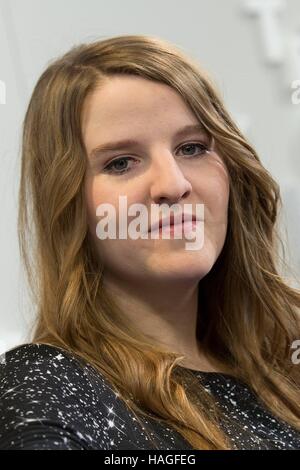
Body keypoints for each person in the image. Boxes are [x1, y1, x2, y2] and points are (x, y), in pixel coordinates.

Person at [0, 34, 299, 450]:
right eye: (120, 162)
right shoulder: (50, 384)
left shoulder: (285, 367)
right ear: (67, 205)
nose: (173, 185)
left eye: (192, 147)